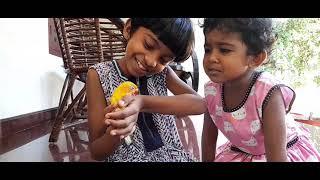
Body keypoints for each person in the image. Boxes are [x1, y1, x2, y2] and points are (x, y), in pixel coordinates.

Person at [106, 18, 320, 162]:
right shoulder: (212, 91)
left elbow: (277, 156)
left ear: (255, 58)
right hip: (240, 152)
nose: (211, 58)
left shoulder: (268, 94)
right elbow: (208, 138)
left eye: (224, 50)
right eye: (208, 49)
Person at [86, 18, 199, 162]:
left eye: (163, 59)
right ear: (128, 29)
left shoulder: (163, 73)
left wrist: (142, 102)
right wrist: (117, 132)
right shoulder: (99, 74)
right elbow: (96, 152)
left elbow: (200, 104)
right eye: (148, 45)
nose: (152, 62)